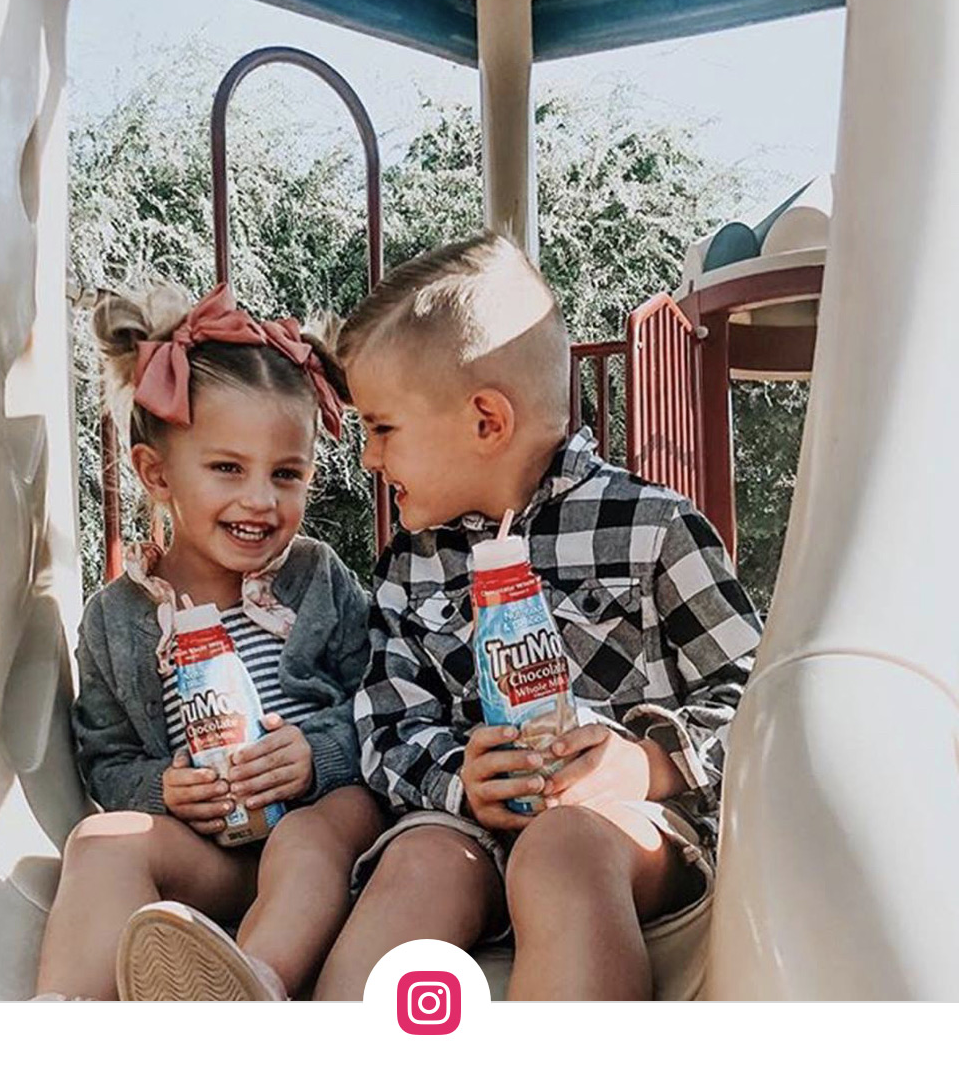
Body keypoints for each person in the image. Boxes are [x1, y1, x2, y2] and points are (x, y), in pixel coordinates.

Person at [312, 233, 763, 1001]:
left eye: (382, 428)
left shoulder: (651, 527)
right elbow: (386, 727)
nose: (368, 460)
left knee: (561, 847)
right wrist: (461, 780)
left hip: (630, 833)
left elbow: (756, 698)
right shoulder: (409, 567)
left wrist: (648, 762)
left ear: (487, 420)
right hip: (469, 837)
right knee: (417, 863)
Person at [34, 282, 385, 1001]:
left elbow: (382, 699)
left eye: (286, 474)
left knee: (315, 831)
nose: (260, 499)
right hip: (214, 859)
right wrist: (162, 791)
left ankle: (254, 985)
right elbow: (106, 759)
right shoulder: (115, 618)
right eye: (228, 468)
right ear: (156, 473)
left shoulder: (316, 578)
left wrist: (316, 756)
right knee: (99, 842)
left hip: (323, 840)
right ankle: (62, 1016)